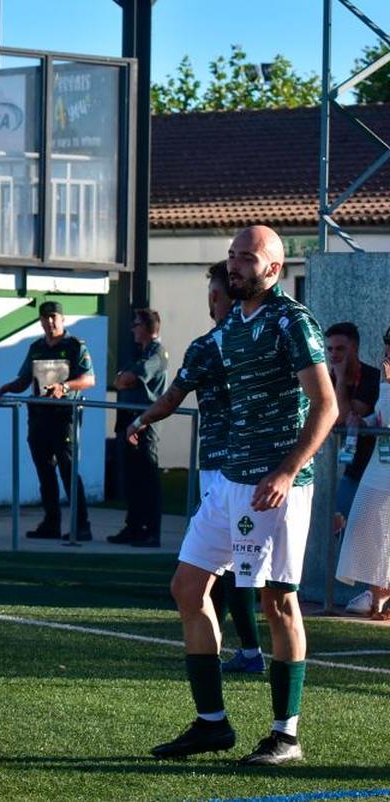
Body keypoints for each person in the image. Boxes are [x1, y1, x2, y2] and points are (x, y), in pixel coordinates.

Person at [151, 225, 335, 766]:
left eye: (247, 258)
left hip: (274, 488)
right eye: (232, 256)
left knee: (277, 602)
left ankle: (285, 735)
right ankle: (212, 724)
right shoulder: (231, 324)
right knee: (188, 588)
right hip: (229, 481)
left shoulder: (292, 322)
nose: (234, 266)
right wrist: (149, 413)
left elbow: (326, 405)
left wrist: (285, 471)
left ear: (274, 269)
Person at [126, 261, 264, 672]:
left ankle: (246, 652)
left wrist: (139, 419)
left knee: (220, 563)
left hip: (222, 465)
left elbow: (171, 399)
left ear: (215, 297)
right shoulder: (258, 337)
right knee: (238, 563)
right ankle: (233, 646)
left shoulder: (211, 343)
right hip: (254, 462)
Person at [0, 301, 95, 540]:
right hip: (38, 416)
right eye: (45, 318)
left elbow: (89, 379)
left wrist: (64, 386)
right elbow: (24, 380)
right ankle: (51, 524)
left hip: (64, 416)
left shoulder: (74, 346)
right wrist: (6, 388)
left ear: (62, 319)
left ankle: (81, 526)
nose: (50, 323)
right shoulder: (36, 347)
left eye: (54, 318)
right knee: (45, 471)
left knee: (69, 470)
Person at [336, 329, 390, 620]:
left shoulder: (387, 381)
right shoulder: (386, 381)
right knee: (367, 526)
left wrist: (388, 385)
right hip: (379, 466)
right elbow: (380, 416)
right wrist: (362, 420)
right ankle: (375, 591)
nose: (387, 357)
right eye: (386, 350)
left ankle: (379, 596)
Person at [110, 308, 169, 547]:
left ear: (147, 327)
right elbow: (118, 379)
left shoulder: (156, 353)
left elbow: (127, 379)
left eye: (136, 324)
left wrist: (124, 377)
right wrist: (123, 377)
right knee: (132, 477)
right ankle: (133, 526)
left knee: (147, 477)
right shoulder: (140, 352)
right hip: (128, 420)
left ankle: (151, 531)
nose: (133, 329)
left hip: (145, 423)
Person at [324, 322, 380, 530]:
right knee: (341, 528)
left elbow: (344, 416)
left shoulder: (372, 376)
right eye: (329, 349)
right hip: (348, 469)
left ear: (354, 349)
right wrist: (337, 379)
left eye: (340, 348)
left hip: (373, 469)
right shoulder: (327, 379)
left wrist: (339, 381)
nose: (333, 354)